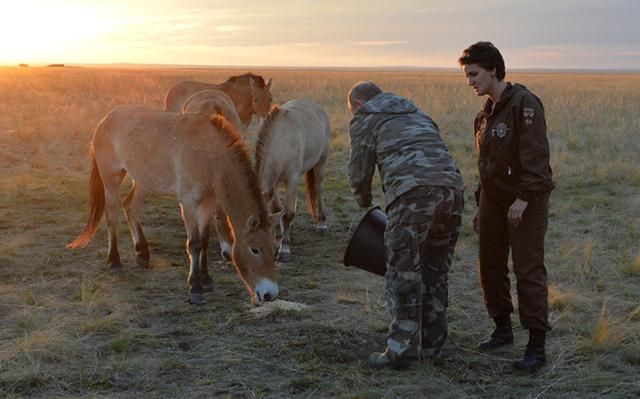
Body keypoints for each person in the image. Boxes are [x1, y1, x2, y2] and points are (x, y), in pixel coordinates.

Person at [347, 82, 464, 369]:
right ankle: (433, 346)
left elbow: (359, 170)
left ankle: (402, 351)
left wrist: (363, 201)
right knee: (435, 270)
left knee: (403, 273)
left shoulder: (365, 117)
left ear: (359, 104)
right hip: (453, 192)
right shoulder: (418, 112)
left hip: (413, 196)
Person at [458, 42, 555, 371]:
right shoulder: (483, 114)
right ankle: (501, 329)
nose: (469, 81)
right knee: (490, 264)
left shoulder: (523, 105)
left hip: (525, 200)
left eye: (474, 74)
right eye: (467, 75)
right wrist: (478, 203)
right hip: (493, 200)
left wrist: (524, 198)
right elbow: (487, 164)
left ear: (494, 70)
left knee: (527, 269)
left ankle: (536, 346)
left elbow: (537, 158)